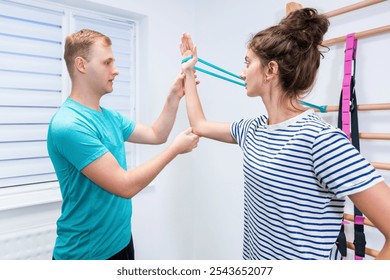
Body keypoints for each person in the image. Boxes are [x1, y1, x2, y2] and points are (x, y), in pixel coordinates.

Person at [180, 8, 390, 260]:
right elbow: (199, 124)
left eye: (247, 63)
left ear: (270, 70)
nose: (242, 72)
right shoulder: (253, 129)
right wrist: (189, 71)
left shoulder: (320, 140)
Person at [47, 29, 199, 260]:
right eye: (107, 62)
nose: (115, 70)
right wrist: (175, 150)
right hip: (87, 256)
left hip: (121, 242)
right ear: (81, 65)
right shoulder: (69, 125)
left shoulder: (110, 117)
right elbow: (125, 186)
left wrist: (173, 96)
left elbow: (156, 134)